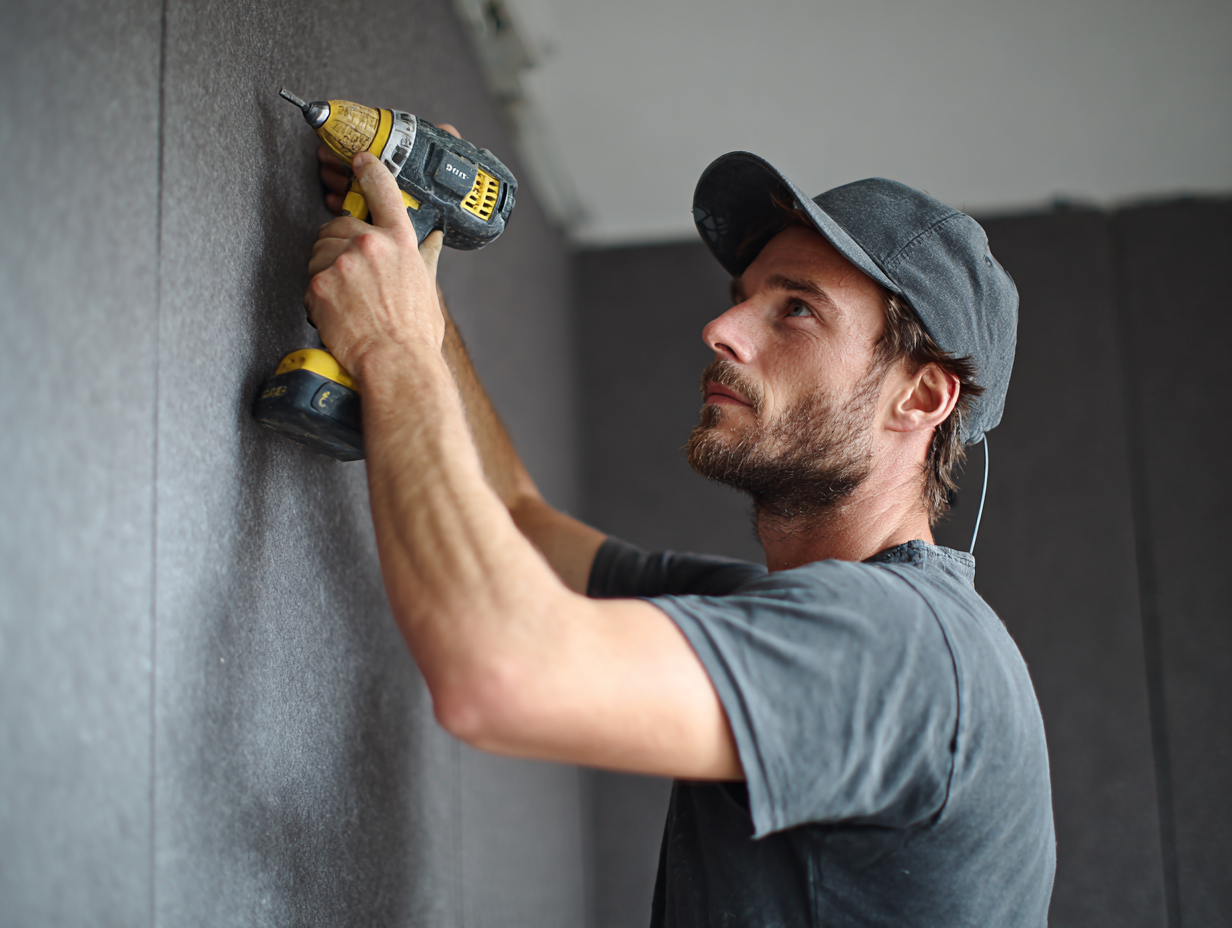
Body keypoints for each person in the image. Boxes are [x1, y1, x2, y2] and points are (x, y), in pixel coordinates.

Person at [309, 139, 1055, 926]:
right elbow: (523, 528)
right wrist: (416, 307)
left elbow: (500, 675)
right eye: (743, 296)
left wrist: (389, 347)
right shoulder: (810, 619)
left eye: (796, 309)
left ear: (921, 397)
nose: (720, 328)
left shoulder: (900, 645)